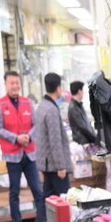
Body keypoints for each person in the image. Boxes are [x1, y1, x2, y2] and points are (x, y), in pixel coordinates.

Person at [0, 70, 46, 222]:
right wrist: (16, 138)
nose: (15, 86)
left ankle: (42, 221)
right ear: (5, 84)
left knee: (37, 189)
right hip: (12, 155)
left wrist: (29, 137)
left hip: (29, 153)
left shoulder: (27, 102)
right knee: (14, 191)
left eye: (17, 83)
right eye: (12, 83)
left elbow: (36, 124)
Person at [33, 72, 74, 206]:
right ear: (58, 88)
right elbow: (55, 140)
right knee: (62, 202)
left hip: (47, 164)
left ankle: (41, 219)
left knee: (49, 201)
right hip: (55, 166)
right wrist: (61, 167)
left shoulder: (43, 106)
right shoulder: (51, 110)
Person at [68, 80, 99, 147]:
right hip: (82, 142)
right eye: (82, 91)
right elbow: (82, 127)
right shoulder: (73, 108)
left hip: (86, 141)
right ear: (79, 91)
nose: (83, 93)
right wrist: (95, 139)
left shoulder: (78, 105)